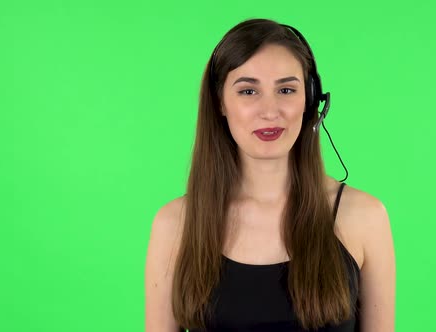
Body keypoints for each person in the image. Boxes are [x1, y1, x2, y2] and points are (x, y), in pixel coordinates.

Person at [145, 18, 395, 332]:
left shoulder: (364, 217)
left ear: (311, 100)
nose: (269, 110)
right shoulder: (174, 224)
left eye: (286, 89)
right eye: (248, 91)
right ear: (220, 102)